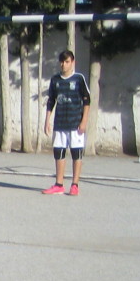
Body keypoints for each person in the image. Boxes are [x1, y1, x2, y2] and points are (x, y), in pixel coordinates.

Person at [42, 49, 92, 196]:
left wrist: (84, 121)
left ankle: (75, 185)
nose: (64, 65)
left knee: (76, 153)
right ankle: (59, 184)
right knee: (59, 152)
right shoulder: (55, 80)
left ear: (73, 62)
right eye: (62, 62)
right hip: (60, 123)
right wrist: (47, 120)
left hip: (75, 123)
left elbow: (87, 101)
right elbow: (51, 101)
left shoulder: (79, 79)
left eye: (67, 61)